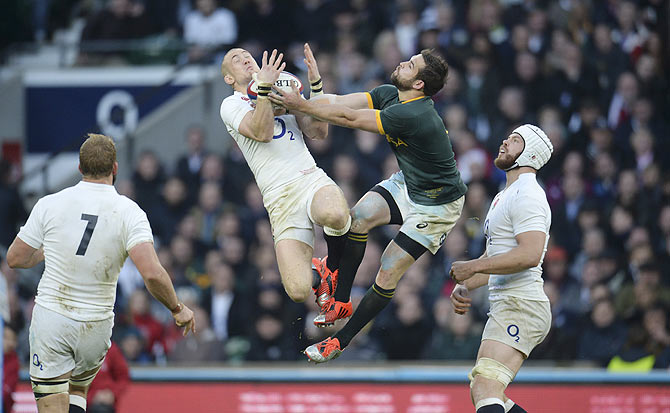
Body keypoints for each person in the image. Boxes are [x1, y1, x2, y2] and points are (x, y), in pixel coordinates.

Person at [271, 49, 467, 362]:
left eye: (411, 65)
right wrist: (313, 89)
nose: (403, 61)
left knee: (388, 269)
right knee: (356, 217)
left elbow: (349, 119)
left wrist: (300, 105)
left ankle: (340, 341)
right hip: (409, 182)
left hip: (437, 205)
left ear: (418, 85)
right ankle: (341, 300)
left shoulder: (415, 115)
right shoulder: (391, 94)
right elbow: (340, 104)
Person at [6, 134, 195, 413]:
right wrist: (177, 308)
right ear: (115, 168)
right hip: (95, 325)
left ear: (80, 168)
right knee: (79, 391)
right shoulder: (129, 212)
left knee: (52, 404)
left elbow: (15, 258)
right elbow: (152, 273)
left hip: (53, 318)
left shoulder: (50, 203)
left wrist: (46, 252)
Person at [218, 45, 351, 310]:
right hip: (279, 199)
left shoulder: (284, 85)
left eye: (247, 55)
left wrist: (315, 85)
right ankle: (320, 275)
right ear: (228, 79)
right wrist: (265, 90)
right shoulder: (230, 104)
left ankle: (334, 268)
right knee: (298, 290)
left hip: (308, 178)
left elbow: (318, 132)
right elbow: (262, 131)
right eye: (236, 59)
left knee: (335, 215)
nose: (245, 59)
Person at [449, 124, 554, 413]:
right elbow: (500, 256)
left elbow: (530, 254)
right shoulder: (505, 193)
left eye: (515, 140)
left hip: (522, 303)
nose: (505, 142)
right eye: (507, 136)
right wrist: (467, 282)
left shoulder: (529, 194)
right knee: (485, 388)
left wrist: (473, 266)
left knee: (486, 385)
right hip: (509, 303)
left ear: (530, 154)